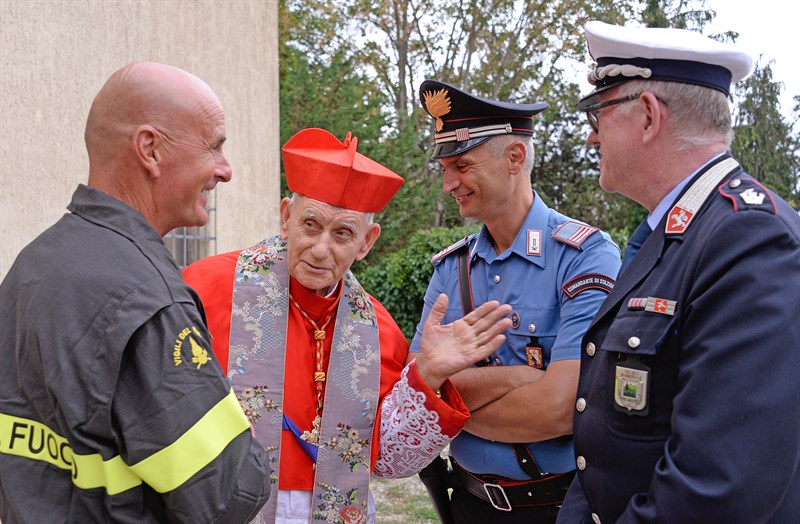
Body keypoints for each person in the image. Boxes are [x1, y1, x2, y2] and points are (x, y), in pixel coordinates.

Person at [182, 127, 513, 523]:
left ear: (366, 242)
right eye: (310, 225)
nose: (321, 249)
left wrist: (428, 373)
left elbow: (389, 462)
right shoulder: (201, 289)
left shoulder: (377, 329)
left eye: (342, 233)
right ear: (286, 217)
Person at [0, 62, 271, 523]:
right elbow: (226, 497)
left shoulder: (32, 265)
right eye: (214, 146)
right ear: (150, 149)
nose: (224, 171)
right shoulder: (150, 298)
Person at [557, 21, 800, 523]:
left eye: (598, 114)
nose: (590, 136)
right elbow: (605, 447)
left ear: (647, 116)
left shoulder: (749, 237)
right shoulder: (672, 233)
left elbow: (717, 487)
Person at [409, 80, 622, 523]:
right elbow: (417, 390)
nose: (449, 184)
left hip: (558, 509)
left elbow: (561, 408)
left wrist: (454, 405)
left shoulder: (585, 256)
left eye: (462, 165)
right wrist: (524, 377)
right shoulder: (452, 268)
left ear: (515, 158)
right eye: (445, 168)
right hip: (467, 506)